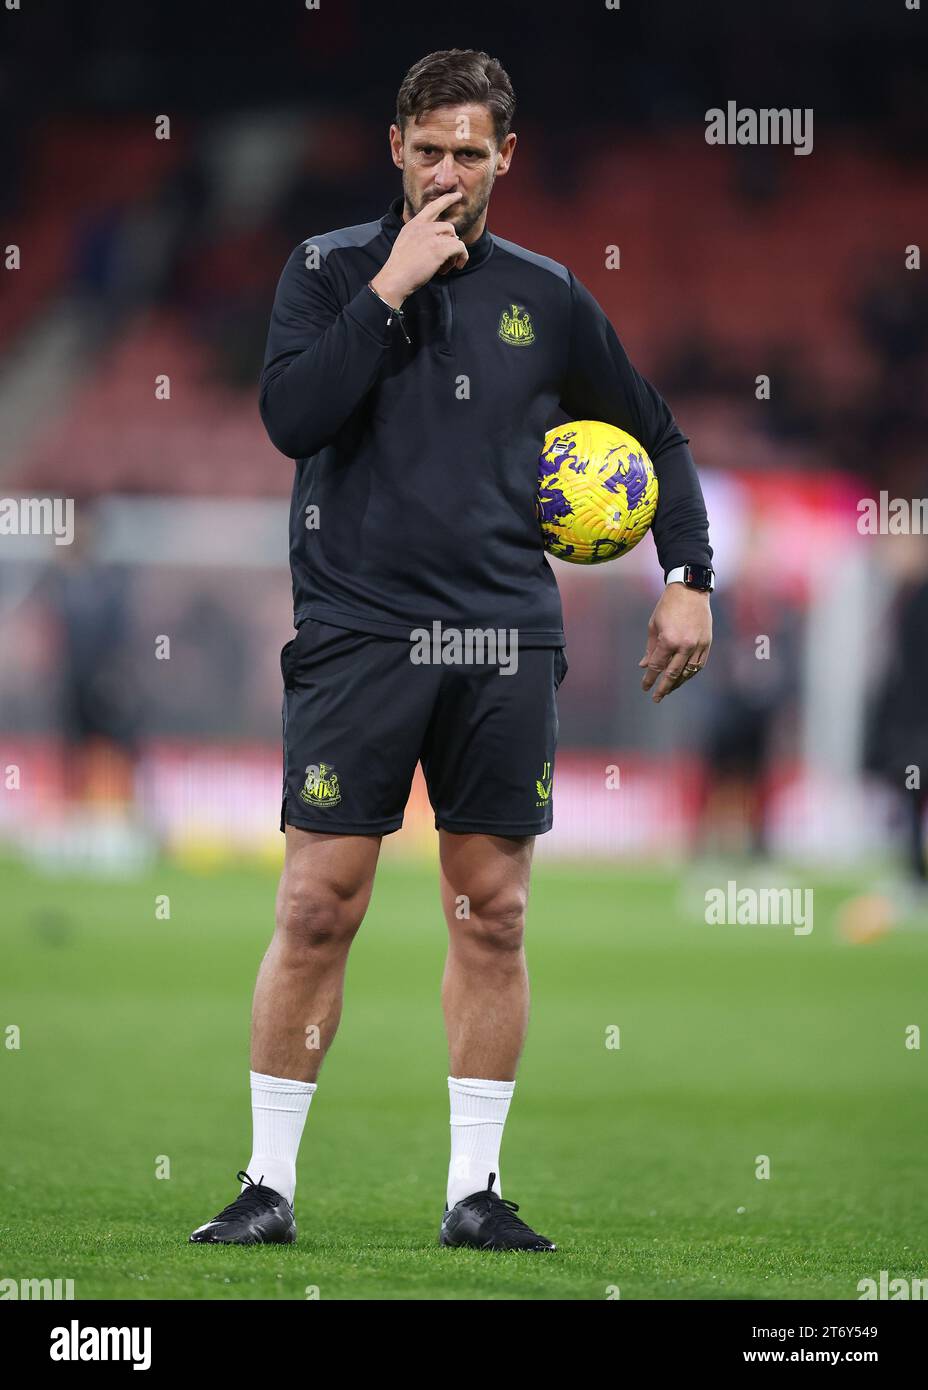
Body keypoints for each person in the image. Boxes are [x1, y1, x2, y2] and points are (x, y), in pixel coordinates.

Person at [190, 48, 713, 1251]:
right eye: (428, 148)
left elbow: (660, 435)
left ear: (504, 159)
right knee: (319, 904)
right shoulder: (326, 270)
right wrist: (391, 287)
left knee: (494, 912)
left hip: (499, 637)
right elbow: (290, 419)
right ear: (395, 148)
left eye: (470, 152)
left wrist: (685, 578)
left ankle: (472, 1192)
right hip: (358, 631)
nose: (447, 171)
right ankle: (268, 1183)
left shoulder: (548, 292)